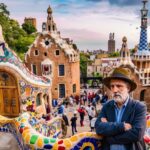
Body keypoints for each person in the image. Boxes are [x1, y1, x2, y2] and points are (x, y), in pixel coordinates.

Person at [95, 67, 147, 150]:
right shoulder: (107, 106)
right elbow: (98, 127)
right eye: (112, 86)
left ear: (128, 88)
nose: (115, 90)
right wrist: (121, 126)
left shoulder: (139, 107)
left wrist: (109, 137)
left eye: (119, 86)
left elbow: (137, 133)